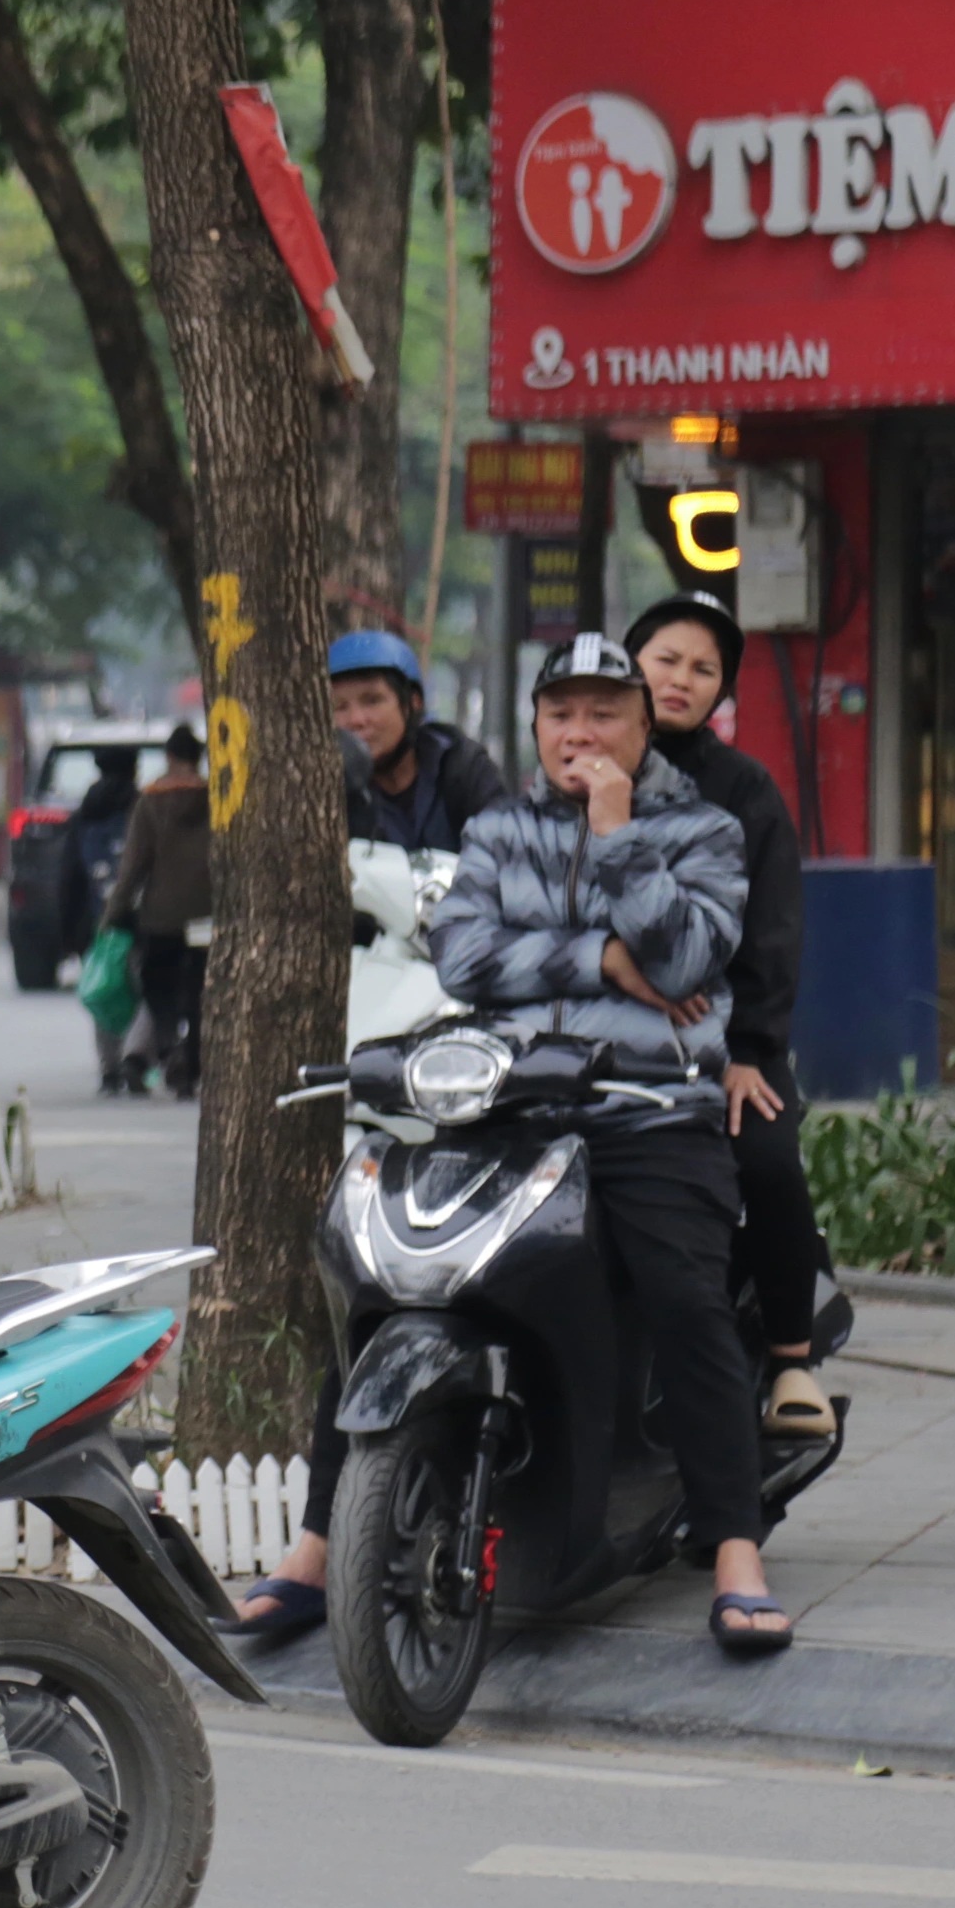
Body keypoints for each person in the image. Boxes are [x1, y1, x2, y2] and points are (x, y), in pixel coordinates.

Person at [235, 638, 785, 1654]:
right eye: (559, 714)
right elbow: (466, 954)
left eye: (603, 713)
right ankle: (317, 1544)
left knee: (682, 1297)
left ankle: (732, 1548)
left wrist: (617, 837)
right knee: (389, 1280)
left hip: (648, 1107)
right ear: (534, 725)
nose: (580, 734)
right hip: (511, 1103)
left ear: (639, 721)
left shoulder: (700, 829)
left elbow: (685, 955)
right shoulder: (497, 829)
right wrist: (599, 958)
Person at [627, 590, 835, 1438]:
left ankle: (791, 1357)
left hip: (724, 1044)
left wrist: (747, 1050)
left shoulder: (743, 790)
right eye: (665, 659)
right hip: (593, 1038)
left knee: (767, 1161)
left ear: (721, 691)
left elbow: (772, 932)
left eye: (702, 669)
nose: (680, 679)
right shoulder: (581, 766)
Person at [98, 724, 212, 1096]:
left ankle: (168, 1047)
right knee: (200, 994)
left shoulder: (150, 801)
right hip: (209, 915)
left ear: (170, 757)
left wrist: (113, 914)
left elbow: (133, 867)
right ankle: (190, 1064)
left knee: (156, 988)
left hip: (162, 917)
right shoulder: (216, 797)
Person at [329, 629, 507, 855]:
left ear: (413, 703)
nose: (356, 720)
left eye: (372, 700)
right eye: (340, 707)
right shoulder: (329, 791)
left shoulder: (461, 767)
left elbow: (506, 851)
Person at [60, 750, 146, 1095]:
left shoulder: (85, 813)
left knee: (104, 990)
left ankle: (109, 1068)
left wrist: (69, 931)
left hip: (95, 919)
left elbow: (69, 876)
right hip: (138, 917)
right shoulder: (140, 807)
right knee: (140, 990)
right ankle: (134, 1057)